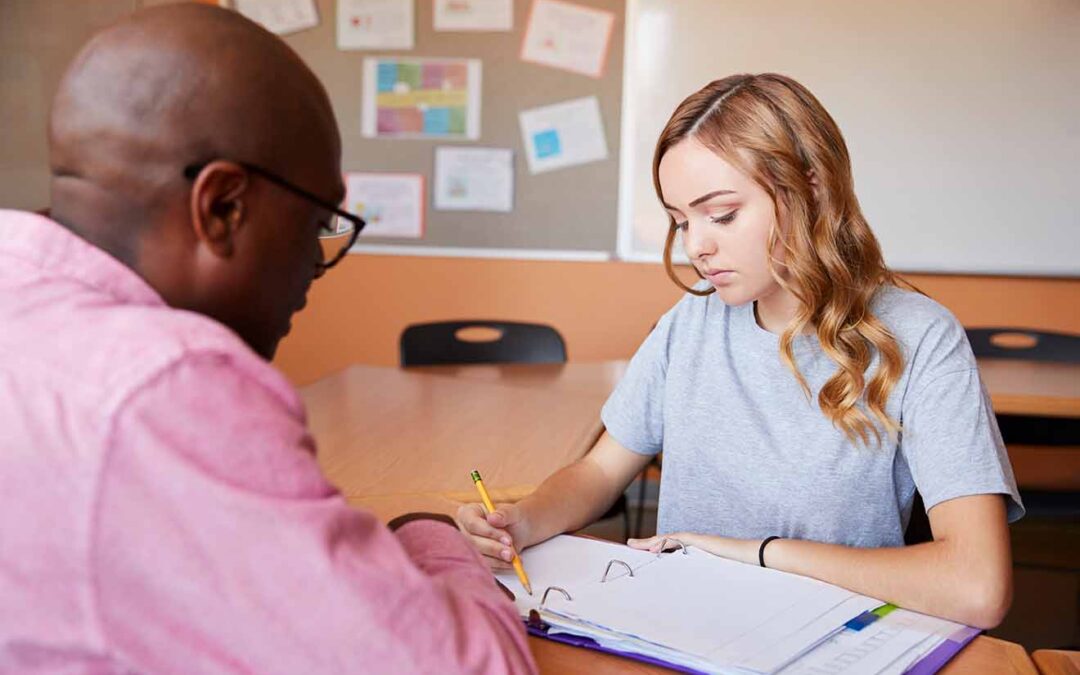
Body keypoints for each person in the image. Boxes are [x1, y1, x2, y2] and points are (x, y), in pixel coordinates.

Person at [0, 5, 534, 673]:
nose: (316, 261)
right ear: (223, 207)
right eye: (316, 222)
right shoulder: (166, 385)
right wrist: (426, 531)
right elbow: (473, 666)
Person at [459, 73, 1023, 630]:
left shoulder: (921, 337)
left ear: (811, 186)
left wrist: (757, 553)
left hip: (828, 637)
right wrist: (523, 521)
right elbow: (599, 473)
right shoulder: (690, 324)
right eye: (681, 221)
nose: (697, 247)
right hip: (682, 630)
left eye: (722, 214)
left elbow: (976, 585)